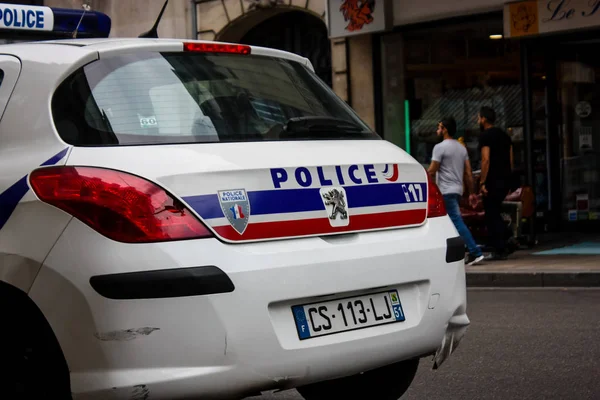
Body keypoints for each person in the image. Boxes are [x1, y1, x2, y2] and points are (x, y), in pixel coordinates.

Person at [428, 117, 484, 266]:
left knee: (456, 221)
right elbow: (468, 172)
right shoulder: (461, 148)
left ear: (445, 129)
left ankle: (475, 252)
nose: (437, 130)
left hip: (445, 190)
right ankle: (451, 253)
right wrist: (471, 192)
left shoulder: (439, 147)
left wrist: (423, 178)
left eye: (439, 127)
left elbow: (433, 170)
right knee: (447, 223)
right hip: (457, 190)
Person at [477, 106, 514, 260]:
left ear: (484, 119)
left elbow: (486, 159)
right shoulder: (505, 135)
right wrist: (509, 177)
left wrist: (482, 181)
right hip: (505, 178)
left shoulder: (486, 136)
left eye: (478, 118)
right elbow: (511, 158)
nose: (477, 120)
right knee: (496, 210)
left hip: (492, 179)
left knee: (491, 213)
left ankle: (501, 245)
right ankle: (506, 238)